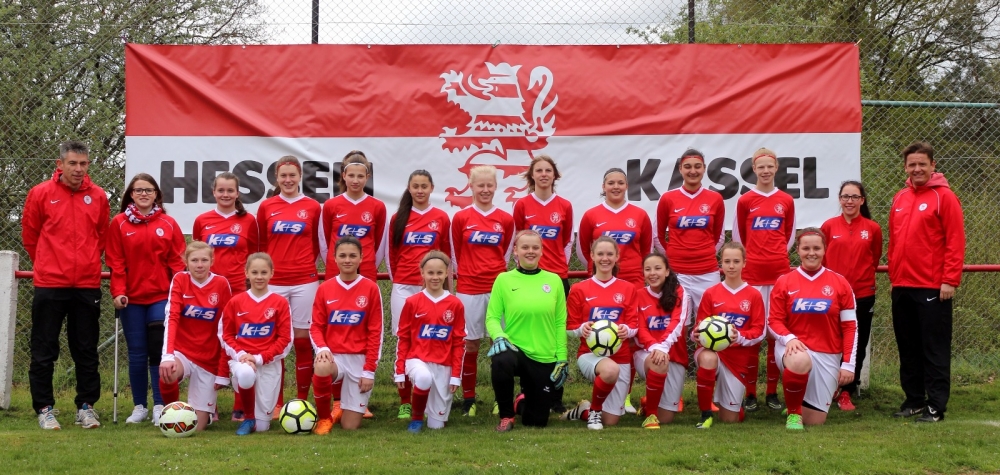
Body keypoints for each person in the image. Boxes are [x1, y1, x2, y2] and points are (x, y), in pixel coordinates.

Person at [22, 140, 111, 430]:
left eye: (83, 163)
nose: (78, 169)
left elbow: (101, 235)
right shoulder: (40, 193)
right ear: (60, 164)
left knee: (85, 348)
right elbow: (31, 236)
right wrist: (47, 264)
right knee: (44, 349)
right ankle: (44, 408)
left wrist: (86, 263)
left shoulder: (98, 196)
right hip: (50, 283)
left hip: (86, 284)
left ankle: (86, 407)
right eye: (72, 163)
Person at [888, 141, 966, 423]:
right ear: (905, 168)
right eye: (912, 164)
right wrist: (894, 278)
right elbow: (895, 242)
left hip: (933, 287)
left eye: (922, 163)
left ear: (933, 165)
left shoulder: (944, 197)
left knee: (933, 349)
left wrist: (949, 280)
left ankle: (935, 406)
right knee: (908, 348)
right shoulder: (899, 197)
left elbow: (955, 241)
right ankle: (914, 401)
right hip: (902, 287)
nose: (917, 168)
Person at [107, 173, 186, 425]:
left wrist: (179, 292)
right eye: (138, 190)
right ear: (131, 194)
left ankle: (160, 405)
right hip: (131, 300)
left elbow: (177, 262)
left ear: (156, 195)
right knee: (137, 353)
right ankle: (139, 406)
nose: (143, 194)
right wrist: (118, 292)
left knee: (157, 351)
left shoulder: (168, 223)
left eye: (148, 190)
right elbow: (116, 261)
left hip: (161, 297)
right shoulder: (119, 223)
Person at [768, 228, 858, 429]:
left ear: (824, 250)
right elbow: (773, 321)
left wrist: (848, 364)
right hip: (795, 348)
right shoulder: (784, 281)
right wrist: (789, 338)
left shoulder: (840, 283)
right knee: (799, 360)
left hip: (828, 352)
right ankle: (793, 414)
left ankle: (797, 401)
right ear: (798, 251)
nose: (811, 253)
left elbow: (850, 327)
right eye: (806, 248)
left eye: (816, 248)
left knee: (815, 421)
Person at [731, 147, 795, 412]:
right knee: (753, 334)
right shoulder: (745, 200)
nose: (766, 171)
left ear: (776, 168)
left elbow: (789, 236)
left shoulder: (786, 200)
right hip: (753, 276)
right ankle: (749, 393)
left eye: (770, 166)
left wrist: (774, 257)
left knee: (774, 335)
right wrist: (754, 260)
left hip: (779, 275)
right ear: (754, 169)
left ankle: (771, 392)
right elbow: (739, 238)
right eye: (761, 167)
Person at [256, 156, 322, 411]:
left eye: (292, 175)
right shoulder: (266, 206)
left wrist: (302, 265)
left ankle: (302, 400)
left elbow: (317, 243)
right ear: (276, 178)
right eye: (283, 175)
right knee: (277, 342)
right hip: (274, 283)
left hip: (305, 281)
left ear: (300, 177)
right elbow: (262, 245)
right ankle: (276, 401)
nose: (288, 180)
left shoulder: (313, 206)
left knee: (303, 340)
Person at [192, 172, 259, 421]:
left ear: (237, 193)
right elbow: (197, 256)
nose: (225, 194)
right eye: (221, 190)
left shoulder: (248, 221)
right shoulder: (202, 220)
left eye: (230, 190)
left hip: (239, 291)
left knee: (240, 343)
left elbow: (254, 256)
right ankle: (209, 403)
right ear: (213, 192)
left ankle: (240, 405)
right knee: (210, 344)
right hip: (209, 292)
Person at [487, 230, 569, 432]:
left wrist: (562, 357)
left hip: (543, 355)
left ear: (542, 251)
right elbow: (492, 318)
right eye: (525, 247)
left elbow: (560, 322)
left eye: (535, 247)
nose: (530, 251)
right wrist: (499, 336)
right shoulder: (504, 280)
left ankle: (520, 402)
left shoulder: (554, 281)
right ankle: (506, 416)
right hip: (515, 349)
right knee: (501, 359)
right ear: (515, 250)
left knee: (537, 421)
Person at [387, 170, 452, 419]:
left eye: (424, 186)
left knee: (431, 338)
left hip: (432, 288)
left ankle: (428, 395)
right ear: (409, 188)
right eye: (415, 186)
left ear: (432, 188)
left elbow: (446, 256)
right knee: (404, 339)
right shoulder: (398, 218)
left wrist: (447, 289)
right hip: (404, 287)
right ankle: (405, 401)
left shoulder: (441, 217)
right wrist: (398, 281)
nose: (420, 190)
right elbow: (392, 255)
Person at [450, 165, 515, 416]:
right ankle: (469, 399)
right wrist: (469, 274)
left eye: (490, 185)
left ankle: (501, 399)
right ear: (471, 186)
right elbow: (455, 255)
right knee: (470, 344)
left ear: (496, 186)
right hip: (469, 289)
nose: (485, 190)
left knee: (499, 343)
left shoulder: (505, 219)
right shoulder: (461, 218)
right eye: (480, 185)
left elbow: (505, 255)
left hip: (497, 290)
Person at [512, 155, 573, 412]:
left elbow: (567, 241)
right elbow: (517, 239)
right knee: (528, 336)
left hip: (556, 277)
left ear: (554, 175)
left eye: (548, 170)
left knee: (556, 335)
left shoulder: (565, 205)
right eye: (539, 170)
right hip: (529, 277)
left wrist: (557, 268)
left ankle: (555, 396)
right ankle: (527, 392)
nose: (544, 174)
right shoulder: (522, 204)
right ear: (532, 175)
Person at [309, 236, 384, 434]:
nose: (347, 260)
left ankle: (344, 409)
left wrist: (369, 371)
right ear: (334, 258)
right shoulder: (324, 288)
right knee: (321, 364)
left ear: (361, 258)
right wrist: (322, 348)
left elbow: (376, 333)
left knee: (350, 426)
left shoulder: (371, 288)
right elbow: (315, 327)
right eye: (342, 255)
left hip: (359, 360)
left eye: (352, 255)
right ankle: (324, 418)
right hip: (335, 357)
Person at [820, 180, 883, 410]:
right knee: (829, 341)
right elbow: (822, 261)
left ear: (862, 200)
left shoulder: (872, 228)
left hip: (863, 294)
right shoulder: (828, 226)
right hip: (832, 296)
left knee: (858, 342)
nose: (849, 201)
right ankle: (828, 387)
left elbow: (874, 259)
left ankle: (847, 391)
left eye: (854, 197)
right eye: (845, 196)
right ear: (839, 199)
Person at [159, 241, 233, 431]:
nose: (199, 265)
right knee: (168, 372)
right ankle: (171, 413)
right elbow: (172, 318)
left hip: (208, 359)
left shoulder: (221, 283)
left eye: (204, 260)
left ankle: (205, 415)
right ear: (186, 261)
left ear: (212, 261)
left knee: (196, 428)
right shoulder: (180, 279)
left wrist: (223, 370)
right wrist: (167, 356)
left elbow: (228, 329)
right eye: (194, 260)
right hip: (183, 352)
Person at [567, 236, 639, 430]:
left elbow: (634, 325)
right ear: (592, 256)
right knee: (610, 370)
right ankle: (595, 412)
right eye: (600, 254)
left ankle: (583, 410)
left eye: (609, 254)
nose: (604, 258)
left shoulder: (628, 288)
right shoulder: (579, 289)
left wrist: (627, 330)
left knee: (611, 420)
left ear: (617, 256)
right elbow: (569, 327)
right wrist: (581, 329)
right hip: (590, 355)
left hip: (621, 357)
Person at [693, 242, 766, 428]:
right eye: (727, 261)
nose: (731, 266)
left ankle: (732, 405)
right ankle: (705, 414)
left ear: (744, 263)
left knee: (730, 419)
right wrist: (696, 334)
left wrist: (738, 336)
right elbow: (699, 326)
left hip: (737, 358)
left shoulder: (754, 295)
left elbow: (759, 332)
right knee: (708, 358)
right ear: (721, 263)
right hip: (713, 352)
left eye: (736, 261)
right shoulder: (710, 293)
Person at [220, 253, 293, 435]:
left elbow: (285, 340)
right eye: (254, 272)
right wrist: (242, 356)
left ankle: (257, 419)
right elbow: (225, 335)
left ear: (271, 273)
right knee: (246, 372)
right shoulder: (235, 302)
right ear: (246, 273)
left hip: (268, 363)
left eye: (263, 272)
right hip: (242, 361)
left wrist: (259, 358)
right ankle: (249, 417)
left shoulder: (280, 303)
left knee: (262, 428)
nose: (259, 277)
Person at [393, 251, 466, 433]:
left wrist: (456, 375)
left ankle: (430, 410)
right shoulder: (412, 302)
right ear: (422, 273)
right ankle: (417, 419)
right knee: (424, 377)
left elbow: (458, 343)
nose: (435, 277)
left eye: (439, 273)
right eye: (430, 273)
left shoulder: (455, 304)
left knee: (437, 426)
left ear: (447, 274)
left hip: (443, 365)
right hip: (417, 360)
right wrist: (400, 371)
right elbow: (403, 339)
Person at [654, 148, 725, 315]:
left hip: (708, 273)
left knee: (710, 322)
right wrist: (673, 255)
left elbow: (719, 236)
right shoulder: (667, 198)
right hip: (677, 272)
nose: (693, 171)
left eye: (697, 166)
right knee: (677, 320)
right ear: (680, 169)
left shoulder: (715, 198)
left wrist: (704, 254)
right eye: (687, 166)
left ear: (704, 168)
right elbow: (657, 235)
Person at [633, 251, 689, 430]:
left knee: (666, 418)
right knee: (659, 363)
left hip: (674, 354)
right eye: (648, 269)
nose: (652, 273)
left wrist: (663, 347)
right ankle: (650, 415)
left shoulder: (680, 292)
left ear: (666, 271)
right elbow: (640, 329)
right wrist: (656, 348)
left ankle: (648, 402)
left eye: (657, 268)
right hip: (646, 353)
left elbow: (677, 323)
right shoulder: (638, 295)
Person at [577, 168, 653, 287]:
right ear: (603, 186)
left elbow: (647, 250)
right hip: (601, 277)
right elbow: (583, 250)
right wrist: (598, 266)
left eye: (621, 183)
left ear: (627, 186)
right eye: (611, 183)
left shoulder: (640, 214)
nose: (616, 187)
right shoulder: (590, 215)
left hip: (633, 278)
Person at [320, 150, 386, 282]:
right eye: (351, 175)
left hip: (366, 272)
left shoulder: (378, 206)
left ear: (367, 177)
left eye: (360, 176)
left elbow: (380, 245)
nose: (355, 180)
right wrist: (335, 262)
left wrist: (369, 264)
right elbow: (324, 241)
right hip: (336, 271)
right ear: (344, 175)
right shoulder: (330, 205)